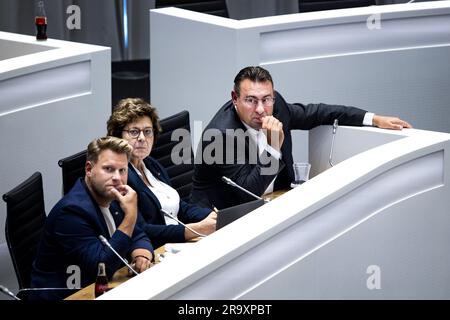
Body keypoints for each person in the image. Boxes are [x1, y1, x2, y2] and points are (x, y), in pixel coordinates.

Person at [191, 66, 412, 209]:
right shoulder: (221, 136)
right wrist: (272, 148)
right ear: (234, 99)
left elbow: (318, 113)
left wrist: (373, 118)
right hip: (219, 220)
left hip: (274, 201)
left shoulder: (277, 109)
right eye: (251, 100)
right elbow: (247, 194)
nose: (261, 109)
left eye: (267, 99)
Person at [30, 137, 153, 300]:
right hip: (70, 294)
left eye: (122, 170)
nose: (117, 178)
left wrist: (141, 256)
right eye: (109, 169)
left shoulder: (111, 194)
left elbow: (137, 234)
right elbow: (102, 268)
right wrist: (131, 215)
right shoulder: (70, 213)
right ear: (89, 169)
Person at [107, 98, 216, 249]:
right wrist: (195, 229)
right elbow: (140, 230)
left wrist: (210, 216)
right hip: (157, 250)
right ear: (119, 135)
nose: (142, 138)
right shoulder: (119, 177)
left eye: (147, 132)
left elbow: (179, 207)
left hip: (181, 243)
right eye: (134, 132)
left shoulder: (151, 164)